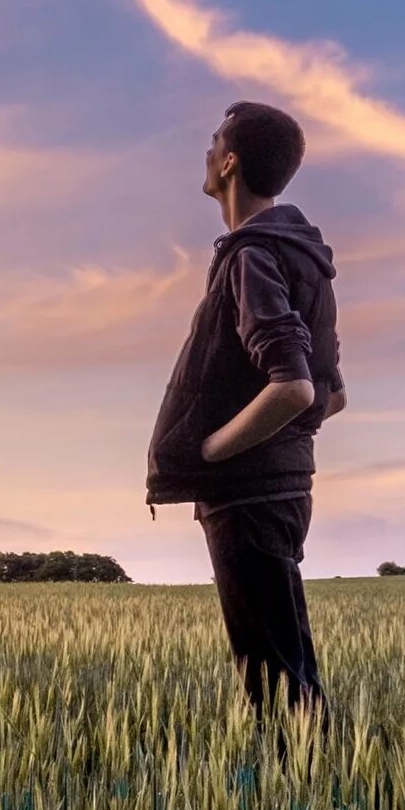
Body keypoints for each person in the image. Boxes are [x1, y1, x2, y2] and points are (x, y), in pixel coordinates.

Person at [144, 101, 345, 718]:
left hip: (248, 492)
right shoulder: (301, 256)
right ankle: (322, 791)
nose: (205, 154)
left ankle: (306, 803)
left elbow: (296, 389)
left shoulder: (253, 255)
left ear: (230, 162)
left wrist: (211, 451)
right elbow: (333, 393)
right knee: (288, 668)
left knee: (272, 683)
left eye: (212, 144)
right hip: (284, 486)